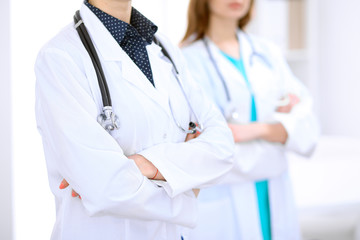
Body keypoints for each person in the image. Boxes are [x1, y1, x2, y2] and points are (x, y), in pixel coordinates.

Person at [34, 0, 235, 239]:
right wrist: (189, 187)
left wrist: (146, 163)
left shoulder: (165, 48)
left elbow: (223, 147)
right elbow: (106, 187)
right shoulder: (60, 57)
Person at [181, 0, 319, 239]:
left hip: (274, 193)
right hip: (221, 200)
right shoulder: (185, 60)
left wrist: (257, 130)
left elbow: (307, 127)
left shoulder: (268, 53)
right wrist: (278, 134)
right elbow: (200, 145)